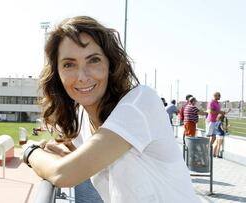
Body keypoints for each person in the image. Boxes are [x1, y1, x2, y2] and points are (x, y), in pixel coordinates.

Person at [22, 16, 200, 202]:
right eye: (69, 64)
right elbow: (86, 162)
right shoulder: (83, 118)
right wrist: (60, 153)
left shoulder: (139, 103)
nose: (82, 76)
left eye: (93, 60)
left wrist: (30, 152)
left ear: (110, 64)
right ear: (57, 74)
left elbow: (64, 174)